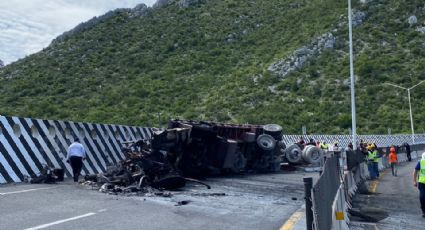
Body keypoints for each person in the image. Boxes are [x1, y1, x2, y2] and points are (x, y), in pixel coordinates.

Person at [413, 152, 425, 218]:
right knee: (422, 197)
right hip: (422, 183)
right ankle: (424, 211)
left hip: (422, 183)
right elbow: (415, 171)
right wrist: (414, 181)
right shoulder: (421, 162)